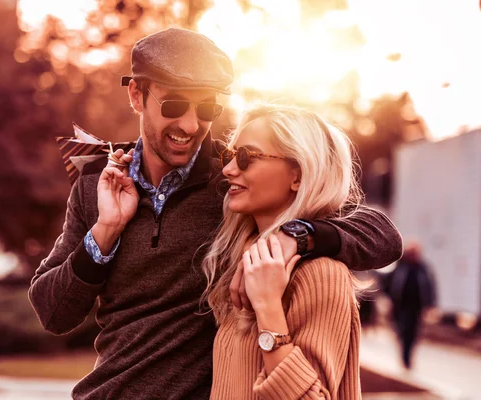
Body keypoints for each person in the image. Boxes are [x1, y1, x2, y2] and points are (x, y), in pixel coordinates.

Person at [28, 27, 403, 400]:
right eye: (174, 104)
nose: (190, 125)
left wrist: (295, 236)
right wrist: (105, 231)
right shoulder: (98, 181)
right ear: (137, 95)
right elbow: (53, 312)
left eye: (206, 107)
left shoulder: (235, 180)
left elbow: (382, 235)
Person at [205, 105, 364, 399]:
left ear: (298, 176)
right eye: (230, 156)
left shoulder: (321, 274)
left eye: (246, 157)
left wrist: (267, 305)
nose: (228, 169)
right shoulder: (246, 259)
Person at [384, 241, 436, 369]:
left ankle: (408, 357)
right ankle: (405, 356)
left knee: (413, 333)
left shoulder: (423, 268)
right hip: (401, 306)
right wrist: (388, 298)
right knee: (403, 331)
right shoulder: (400, 267)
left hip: (416, 307)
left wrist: (430, 304)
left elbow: (430, 286)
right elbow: (387, 283)